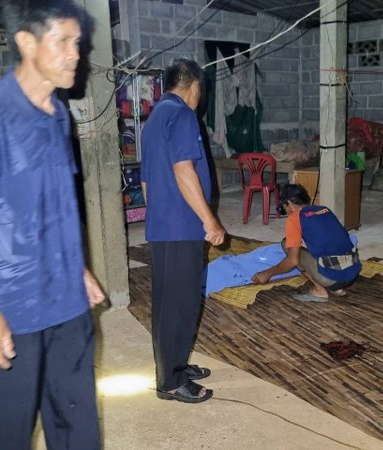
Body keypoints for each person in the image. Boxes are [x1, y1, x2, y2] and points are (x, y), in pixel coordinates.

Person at [0, 1, 105, 448]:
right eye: (63, 41)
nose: (75, 53)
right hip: (15, 305)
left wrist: (79, 268)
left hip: (68, 304)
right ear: (26, 41)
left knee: (79, 429)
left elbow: (57, 201)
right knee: (14, 431)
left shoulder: (59, 114)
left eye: (77, 42)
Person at [140, 58, 226, 404]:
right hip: (181, 225)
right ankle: (171, 382)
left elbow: (146, 181)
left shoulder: (155, 118)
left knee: (169, 303)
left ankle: (174, 365)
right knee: (181, 304)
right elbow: (183, 169)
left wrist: (160, 216)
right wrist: (209, 220)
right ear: (194, 86)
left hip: (164, 224)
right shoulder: (183, 114)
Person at [251, 184, 361, 302]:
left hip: (330, 279)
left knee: (286, 244)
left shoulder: (294, 218)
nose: (285, 210)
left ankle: (319, 290)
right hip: (353, 271)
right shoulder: (324, 209)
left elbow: (293, 261)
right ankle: (337, 288)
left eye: (284, 206)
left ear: (289, 203)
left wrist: (267, 273)